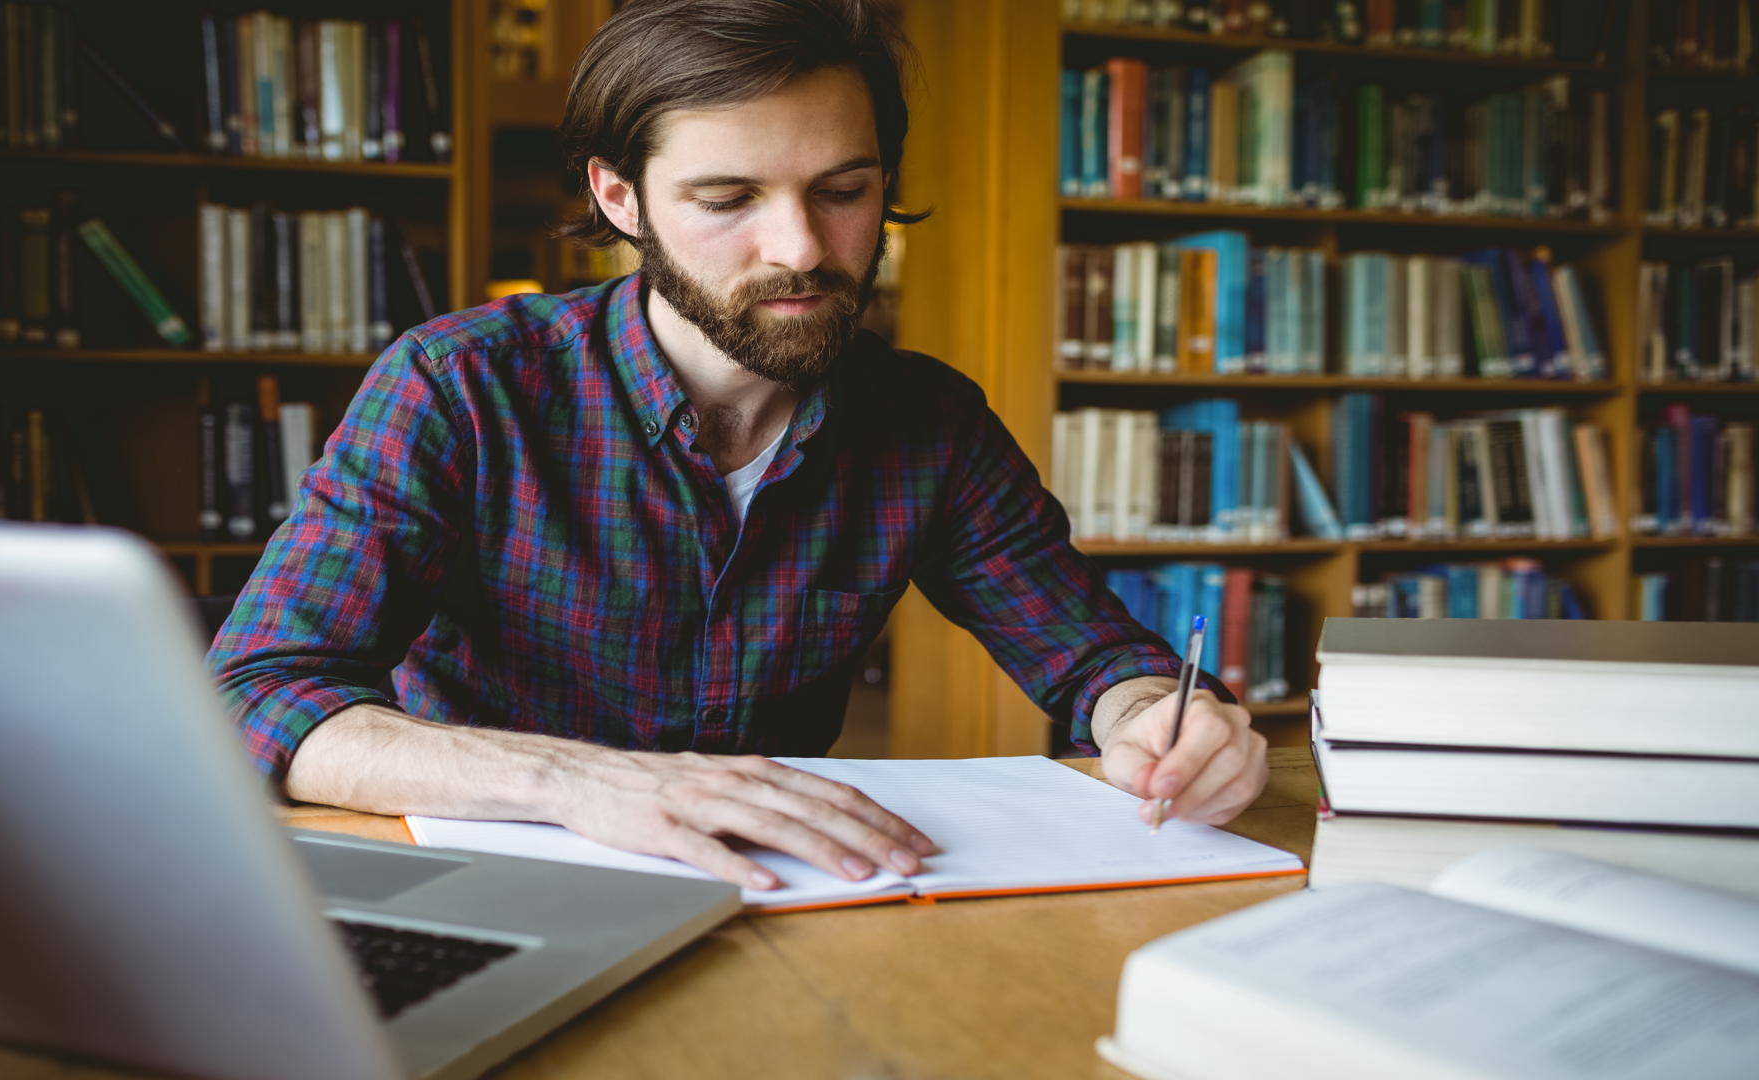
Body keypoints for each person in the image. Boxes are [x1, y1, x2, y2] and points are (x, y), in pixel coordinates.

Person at [209, 0, 1267, 893]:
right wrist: (588, 784)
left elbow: (1097, 659)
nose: (802, 248)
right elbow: (257, 694)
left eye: (845, 191)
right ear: (619, 197)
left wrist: (1159, 723)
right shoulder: (462, 384)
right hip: (502, 874)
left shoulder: (928, 423)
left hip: (781, 898)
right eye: (727, 200)